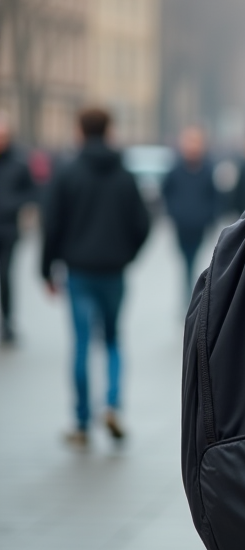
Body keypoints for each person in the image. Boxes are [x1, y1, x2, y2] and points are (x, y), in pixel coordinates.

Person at [41, 107, 149, 447]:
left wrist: (47, 267)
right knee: (114, 338)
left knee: (82, 344)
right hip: (113, 272)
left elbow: (51, 223)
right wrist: (127, 255)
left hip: (79, 271)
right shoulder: (124, 174)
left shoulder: (67, 173)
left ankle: (82, 421)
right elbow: (143, 223)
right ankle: (113, 405)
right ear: (109, 130)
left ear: (79, 130)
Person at [162, 126, 220, 291]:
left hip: (199, 224)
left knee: (193, 258)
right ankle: (189, 291)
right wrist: (174, 212)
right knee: (186, 259)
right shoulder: (176, 169)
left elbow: (214, 196)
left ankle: (192, 290)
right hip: (182, 223)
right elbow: (167, 193)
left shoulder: (207, 169)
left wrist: (209, 217)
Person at [0, 112, 35, 345]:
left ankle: (8, 322)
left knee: (5, 276)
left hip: (8, 228)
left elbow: (32, 193)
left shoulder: (19, 163)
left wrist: (13, 205)